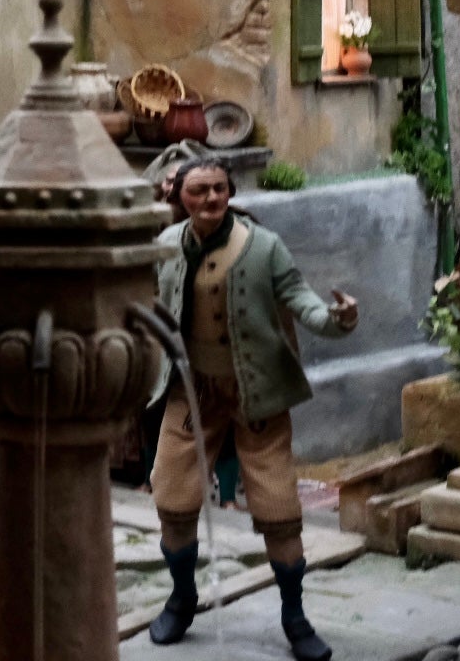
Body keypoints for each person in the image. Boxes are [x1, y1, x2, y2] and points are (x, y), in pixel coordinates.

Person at [146, 156, 358, 661]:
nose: (211, 199)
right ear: (181, 197)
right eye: (199, 191)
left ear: (230, 191)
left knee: (279, 507)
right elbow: (146, 301)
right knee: (172, 500)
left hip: (255, 395)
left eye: (219, 189)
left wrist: (335, 319)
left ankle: (294, 614)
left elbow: (300, 299)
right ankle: (182, 598)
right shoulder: (164, 247)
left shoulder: (263, 248)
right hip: (191, 394)